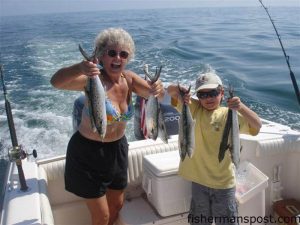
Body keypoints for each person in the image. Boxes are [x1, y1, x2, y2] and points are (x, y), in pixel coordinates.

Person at [50, 27, 164, 225]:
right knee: (101, 216)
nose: (117, 57)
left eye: (123, 54)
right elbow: (56, 82)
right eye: (111, 53)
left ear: (128, 58)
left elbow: (156, 95)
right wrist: (79, 67)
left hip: (117, 150)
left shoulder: (129, 79)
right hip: (87, 153)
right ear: (101, 56)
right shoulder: (92, 79)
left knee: (117, 206)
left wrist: (158, 87)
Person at [167, 72, 262, 225]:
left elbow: (257, 125)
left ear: (222, 93)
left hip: (224, 185)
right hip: (198, 182)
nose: (208, 98)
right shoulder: (193, 108)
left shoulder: (229, 114)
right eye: (202, 95)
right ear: (197, 96)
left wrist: (240, 107)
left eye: (213, 93)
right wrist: (182, 92)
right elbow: (170, 91)